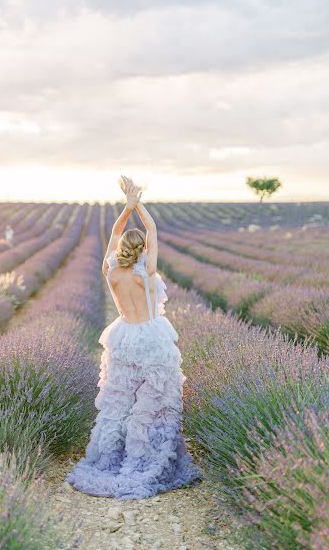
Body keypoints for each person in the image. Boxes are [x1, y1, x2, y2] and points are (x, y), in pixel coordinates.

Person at [65, 175, 203, 499]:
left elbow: (113, 233)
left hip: (124, 336)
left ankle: (111, 459)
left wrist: (125, 207)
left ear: (121, 248)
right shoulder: (146, 271)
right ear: (141, 249)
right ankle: (146, 463)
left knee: (118, 403)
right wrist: (137, 202)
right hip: (151, 338)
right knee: (154, 405)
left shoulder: (111, 269)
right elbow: (153, 230)